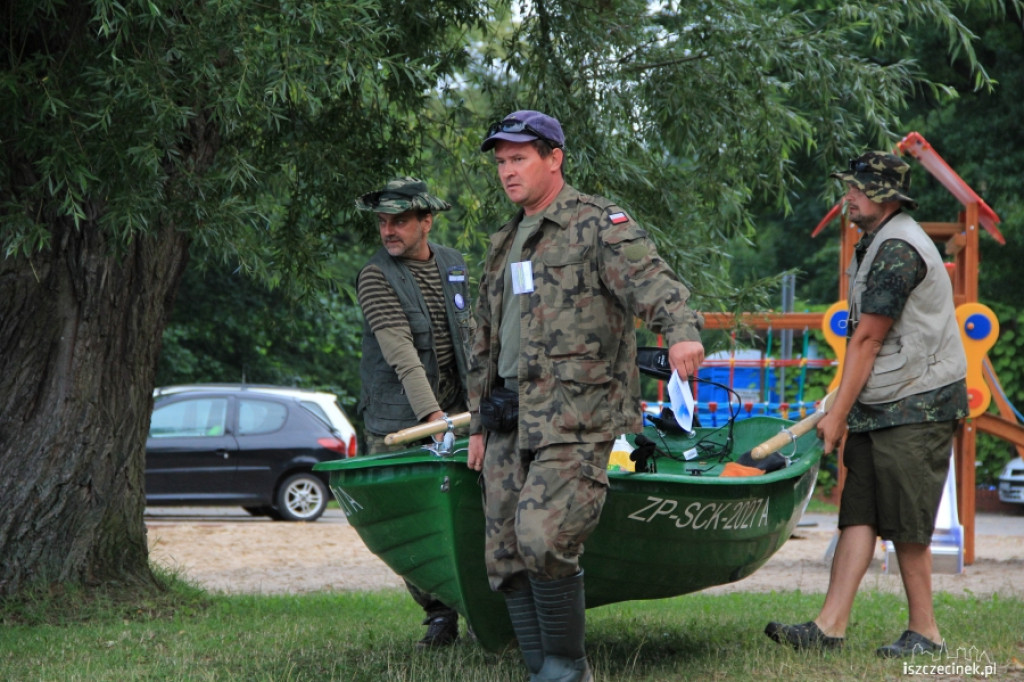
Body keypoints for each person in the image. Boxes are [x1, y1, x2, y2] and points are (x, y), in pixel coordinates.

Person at [466, 110, 705, 681]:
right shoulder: (505, 240)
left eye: (519, 158)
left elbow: (653, 280)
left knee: (544, 537)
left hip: (574, 413)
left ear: (554, 159)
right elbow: (484, 337)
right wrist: (477, 423)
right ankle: (540, 670)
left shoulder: (596, 223)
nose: (507, 171)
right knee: (504, 554)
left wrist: (681, 331)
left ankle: (568, 669)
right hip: (508, 416)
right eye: (501, 162)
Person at [765, 151, 968, 658]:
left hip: (918, 403)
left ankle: (926, 633)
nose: (848, 197)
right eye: (849, 187)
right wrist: (844, 403)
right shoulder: (874, 242)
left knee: (907, 520)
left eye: (857, 189)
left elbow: (869, 339)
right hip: (884, 398)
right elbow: (866, 342)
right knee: (858, 513)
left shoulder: (899, 249)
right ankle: (828, 627)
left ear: (886, 196)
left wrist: (837, 416)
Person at [354, 176, 475, 647]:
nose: (388, 231)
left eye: (399, 221)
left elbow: (474, 338)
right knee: (410, 521)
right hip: (399, 421)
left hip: (458, 411)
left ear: (427, 221)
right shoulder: (375, 276)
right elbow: (401, 353)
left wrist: (482, 403)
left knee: (472, 511)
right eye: (382, 222)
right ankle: (439, 613)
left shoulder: (453, 263)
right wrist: (431, 418)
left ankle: (482, 603)